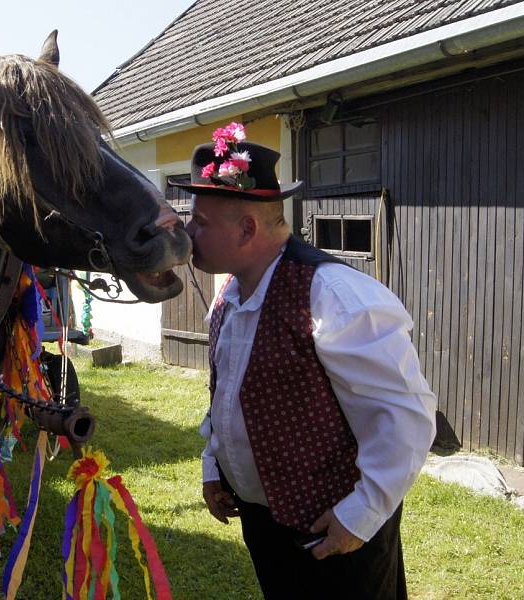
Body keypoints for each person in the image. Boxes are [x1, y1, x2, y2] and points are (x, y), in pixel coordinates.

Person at [170, 123, 436, 599]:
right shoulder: (229, 293)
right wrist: (215, 466)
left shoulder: (333, 295)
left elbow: (405, 419)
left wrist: (359, 516)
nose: (188, 233)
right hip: (265, 521)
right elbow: (227, 393)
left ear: (247, 228)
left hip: (333, 527)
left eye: (201, 222)